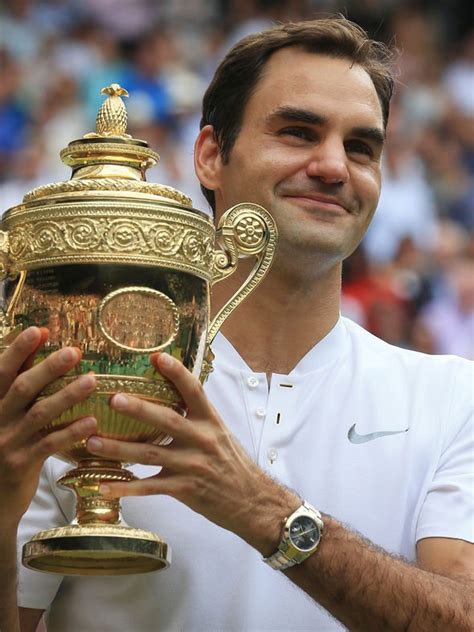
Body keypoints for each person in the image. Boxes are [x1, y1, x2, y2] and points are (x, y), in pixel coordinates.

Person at [1, 17, 473, 632]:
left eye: (361, 147)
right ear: (211, 156)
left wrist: (264, 511)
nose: (333, 166)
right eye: (299, 132)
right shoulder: (82, 385)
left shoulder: (452, 397)